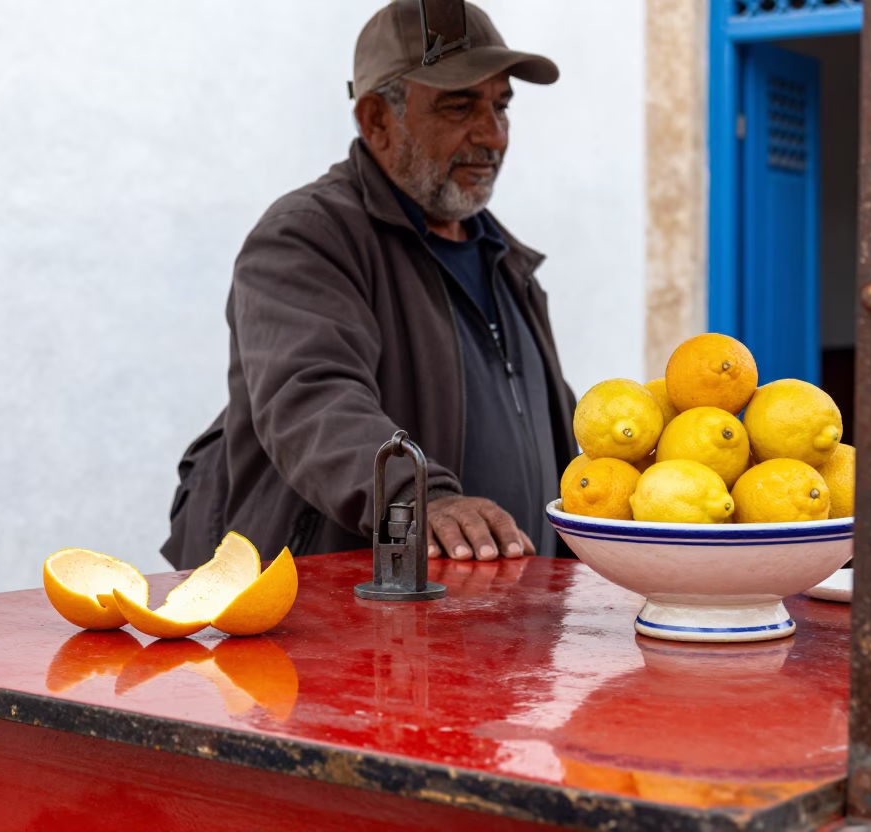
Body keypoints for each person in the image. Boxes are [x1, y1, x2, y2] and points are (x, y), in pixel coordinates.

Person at [162, 0, 577, 569]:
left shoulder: (505, 260)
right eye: (460, 107)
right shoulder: (306, 237)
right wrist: (417, 495)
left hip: (491, 626)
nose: (493, 136)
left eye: (501, 106)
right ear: (377, 120)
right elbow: (311, 395)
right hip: (340, 628)